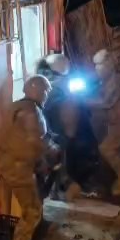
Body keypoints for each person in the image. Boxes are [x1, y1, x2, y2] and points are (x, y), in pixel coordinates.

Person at [0, 75, 60, 240]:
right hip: (19, 170)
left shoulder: (16, 106)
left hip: (9, 164)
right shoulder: (33, 112)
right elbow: (38, 142)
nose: (47, 95)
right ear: (38, 90)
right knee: (32, 212)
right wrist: (54, 152)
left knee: (33, 205)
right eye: (46, 91)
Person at [86, 49, 120, 196]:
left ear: (109, 64)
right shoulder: (106, 80)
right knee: (112, 150)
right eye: (96, 66)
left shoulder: (118, 80)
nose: (97, 69)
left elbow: (107, 102)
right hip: (115, 121)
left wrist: (83, 101)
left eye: (100, 65)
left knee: (107, 149)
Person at [34, 53, 83, 200]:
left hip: (55, 133)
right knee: (56, 162)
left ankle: (57, 189)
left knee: (59, 161)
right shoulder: (50, 90)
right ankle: (56, 189)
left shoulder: (51, 88)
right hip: (51, 134)